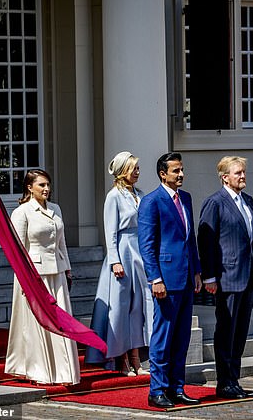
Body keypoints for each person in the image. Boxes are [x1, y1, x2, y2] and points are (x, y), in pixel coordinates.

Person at [138, 152, 203, 408]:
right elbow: (147, 244)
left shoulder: (185, 198)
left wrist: (197, 271)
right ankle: (157, 390)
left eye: (182, 169)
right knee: (163, 336)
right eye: (176, 170)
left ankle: (177, 387)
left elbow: (191, 238)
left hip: (186, 277)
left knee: (181, 337)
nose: (181, 174)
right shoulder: (151, 201)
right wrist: (155, 277)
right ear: (163, 174)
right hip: (165, 279)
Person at [4, 169, 80, 385]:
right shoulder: (21, 212)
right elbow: (17, 248)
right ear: (29, 188)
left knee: (60, 319)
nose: (46, 189)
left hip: (57, 272)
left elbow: (61, 241)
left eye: (48, 184)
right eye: (41, 185)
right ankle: (38, 370)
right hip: (34, 274)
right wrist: (25, 277)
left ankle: (64, 372)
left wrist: (68, 268)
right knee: (37, 323)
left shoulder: (56, 208)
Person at [85, 152, 153, 377]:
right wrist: (114, 260)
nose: (137, 172)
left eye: (137, 168)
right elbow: (110, 231)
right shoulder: (113, 196)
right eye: (133, 168)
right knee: (120, 308)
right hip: (122, 252)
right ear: (123, 170)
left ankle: (136, 357)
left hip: (139, 253)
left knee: (138, 308)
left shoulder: (140, 194)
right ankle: (121, 358)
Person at [197, 156, 253, 399]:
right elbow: (206, 240)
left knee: (240, 332)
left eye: (243, 172)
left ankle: (234, 379)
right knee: (227, 331)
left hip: (248, 275)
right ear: (225, 177)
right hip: (227, 276)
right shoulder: (215, 202)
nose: (242, 176)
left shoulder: (248, 201)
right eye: (237, 173)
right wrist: (209, 275)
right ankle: (224, 382)